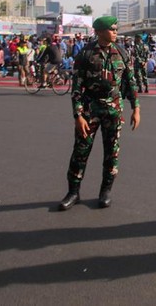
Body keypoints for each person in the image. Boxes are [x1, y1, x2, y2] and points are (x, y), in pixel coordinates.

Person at [58, 16, 140, 211]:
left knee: (112, 153)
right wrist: (78, 115)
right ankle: (73, 192)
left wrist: (136, 108)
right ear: (100, 31)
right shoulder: (85, 54)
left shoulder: (121, 53)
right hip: (89, 111)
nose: (115, 32)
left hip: (113, 111)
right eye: (112, 29)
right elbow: (76, 88)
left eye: (115, 29)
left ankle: (105, 191)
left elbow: (130, 82)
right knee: (80, 152)